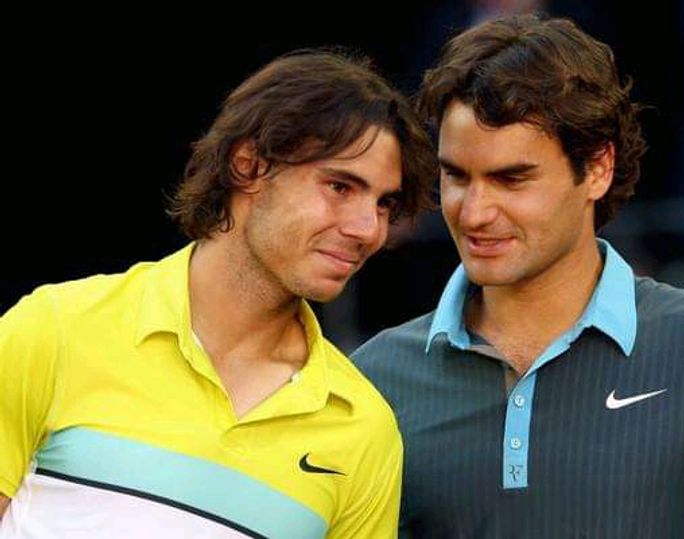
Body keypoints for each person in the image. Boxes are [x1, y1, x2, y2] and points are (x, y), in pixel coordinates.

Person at [353, 14, 684, 538]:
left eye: (511, 178)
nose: (473, 212)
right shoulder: (374, 380)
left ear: (596, 169)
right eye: (456, 176)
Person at [0, 49, 436, 538]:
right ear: (248, 166)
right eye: (339, 186)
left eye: (384, 204)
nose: (367, 229)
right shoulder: (56, 328)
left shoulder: (364, 428)